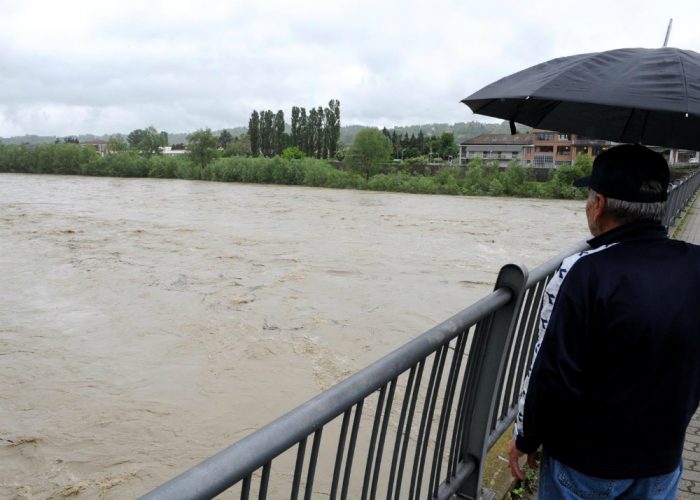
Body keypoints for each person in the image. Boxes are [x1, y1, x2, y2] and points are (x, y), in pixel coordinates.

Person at [508, 144, 700, 499]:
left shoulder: (585, 271)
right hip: (661, 460)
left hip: (585, 465)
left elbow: (551, 369)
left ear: (598, 206)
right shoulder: (695, 263)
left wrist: (526, 437)